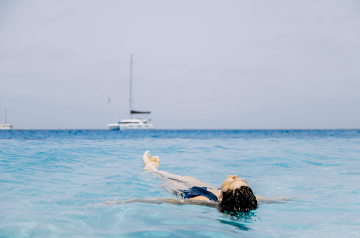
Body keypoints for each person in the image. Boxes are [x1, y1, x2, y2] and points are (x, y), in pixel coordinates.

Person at [103, 151, 293, 215]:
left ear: (222, 196)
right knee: (191, 179)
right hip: (213, 190)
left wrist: (125, 201)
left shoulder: (204, 201)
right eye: (240, 179)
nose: (235, 176)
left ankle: (152, 171)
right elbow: (278, 199)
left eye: (233, 181)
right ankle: (157, 170)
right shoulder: (249, 197)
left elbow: (163, 201)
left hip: (194, 194)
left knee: (174, 185)